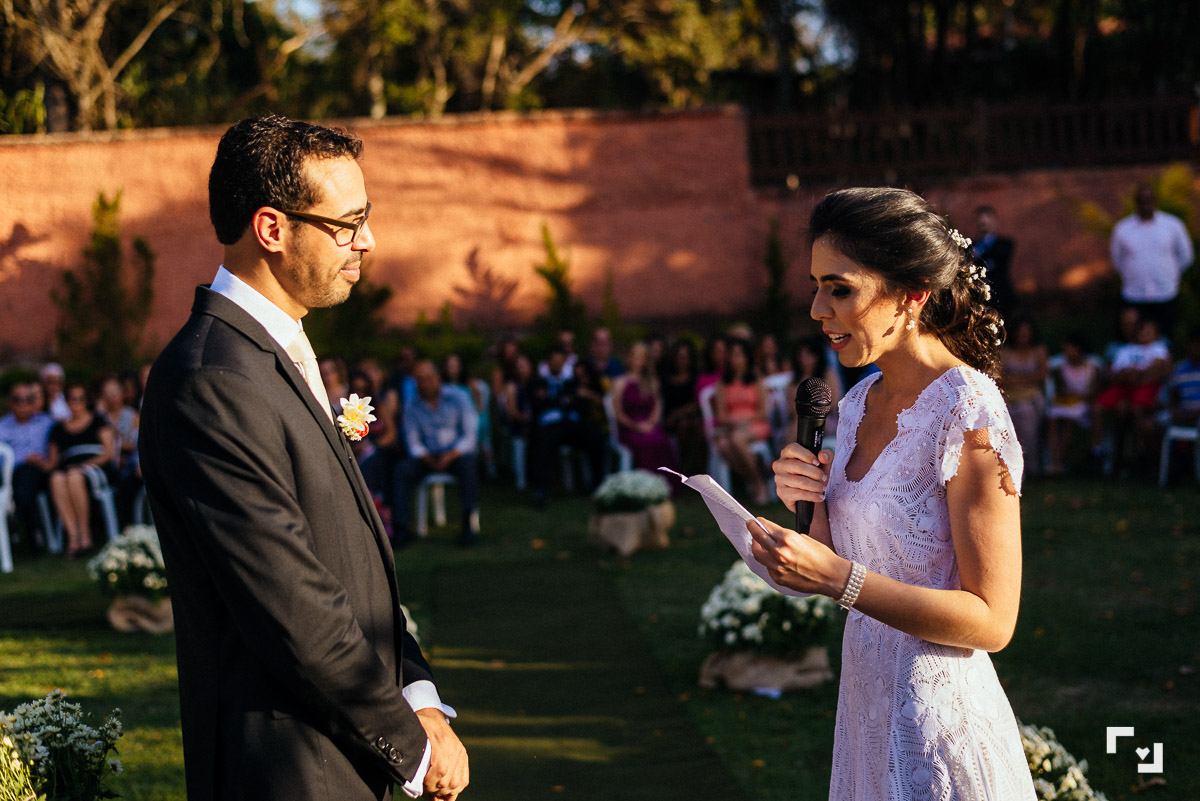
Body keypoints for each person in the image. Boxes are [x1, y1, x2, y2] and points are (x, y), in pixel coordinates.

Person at [138, 116, 467, 801]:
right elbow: (291, 601)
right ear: (271, 228)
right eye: (346, 223)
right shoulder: (211, 379)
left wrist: (423, 695)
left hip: (349, 749)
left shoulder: (278, 350)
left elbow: (354, 565)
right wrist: (412, 746)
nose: (367, 241)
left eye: (365, 217)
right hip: (293, 768)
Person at [756, 187, 1035, 800]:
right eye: (815, 285)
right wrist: (808, 513)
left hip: (937, 723)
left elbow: (993, 620)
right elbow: (848, 559)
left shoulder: (967, 410)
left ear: (912, 294)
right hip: (865, 709)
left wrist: (837, 579)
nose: (816, 309)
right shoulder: (855, 405)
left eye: (840, 288)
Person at [396, 360, 480, 546]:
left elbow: (470, 436)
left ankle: (467, 522)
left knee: (469, 466)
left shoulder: (459, 398)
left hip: (455, 454)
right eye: (419, 380)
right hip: (427, 456)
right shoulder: (412, 406)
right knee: (401, 470)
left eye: (427, 379)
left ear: (438, 379)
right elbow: (413, 442)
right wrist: (427, 458)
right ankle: (402, 527)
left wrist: (451, 455)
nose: (423, 385)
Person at [1110, 183, 1193, 338]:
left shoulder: (1172, 225)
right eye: (1142, 200)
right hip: (1134, 294)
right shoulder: (1123, 229)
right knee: (1133, 337)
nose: (1146, 204)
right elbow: (1117, 261)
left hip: (1165, 292)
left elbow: (1186, 255)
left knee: (1165, 337)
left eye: (1149, 199)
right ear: (1136, 202)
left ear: (1156, 201)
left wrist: (1171, 274)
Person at [1092, 317, 1171, 474]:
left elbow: (1160, 371)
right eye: (1143, 331)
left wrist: (1138, 374)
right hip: (1124, 388)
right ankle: (1097, 449)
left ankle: (1144, 455)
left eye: (1151, 331)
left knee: (1136, 410)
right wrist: (1135, 374)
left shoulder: (1159, 348)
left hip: (1147, 389)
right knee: (1099, 406)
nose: (1146, 334)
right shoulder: (1125, 350)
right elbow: (1116, 374)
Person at [46, 381, 115, 558]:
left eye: (80, 398)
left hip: (95, 467)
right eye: (71, 398)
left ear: (86, 400)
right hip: (69, 469)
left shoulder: (97, 420)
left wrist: (85, 465)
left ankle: (85, 536)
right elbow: (52, 463)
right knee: (56, 478)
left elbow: (108, 453)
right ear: (66, 401)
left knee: (74, 476)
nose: (75, 402)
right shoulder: (57, 428)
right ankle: (73, 537)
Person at [714, 338, 771, 505]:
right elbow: (721, 416)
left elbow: (763, 412)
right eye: (732, 355)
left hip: (755, 424)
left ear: (747, 357)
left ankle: (758, 484)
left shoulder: (756, 380)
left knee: (736, 439)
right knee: (723, 444)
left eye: (739, 355)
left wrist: (744, 420)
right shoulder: (722, 383)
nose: (736, 359)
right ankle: (755, 479)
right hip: (732, 426)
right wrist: (734, 422)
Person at [0, 381, 54, 553]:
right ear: (10, 402)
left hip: (40, 472)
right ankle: (31, 533)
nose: (23, 404)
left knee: (26, 476)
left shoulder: (47, 422)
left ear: (34, 402)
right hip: (9, 473)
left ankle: (16, 519)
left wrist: (46, 462)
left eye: (27, 399)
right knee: (22, 477)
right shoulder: (2, 425)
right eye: (18, 399)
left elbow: (63, 439)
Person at [611, 341, 677, 473]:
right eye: (635, 356)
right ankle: (643, 481)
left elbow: (657, 408)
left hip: (649, 425)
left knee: (661, 442)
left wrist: (650, 424)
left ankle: (663, 481)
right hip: (629, 428)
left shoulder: (652, 382)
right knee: (644, 443)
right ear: (629, 357)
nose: (638, 360)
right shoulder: (619, 382)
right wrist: (635, 426)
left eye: (641, 357)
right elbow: (618, 413)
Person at [1045, 333, 1102, 475]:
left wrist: (1079, 395)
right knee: (1053, 420)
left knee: (1069, 421)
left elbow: (1093, 391)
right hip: (1066, 403)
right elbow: (1060, 390)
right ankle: (1054, 459)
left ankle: (1058, 461)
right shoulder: (1059, 367)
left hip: (1083, 405)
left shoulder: (1092, 366)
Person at [999, 318, 1048, 478]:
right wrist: (1023, 378)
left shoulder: (1039, 351)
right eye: (1020, 334)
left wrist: (1017, 379)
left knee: (1027, 419)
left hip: (1031, 396)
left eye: (1026, 334)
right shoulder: (1005, 352)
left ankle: (1031, 467)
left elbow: (1041, 375)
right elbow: (1000, 376)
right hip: (1009, 396)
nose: (1023, 337)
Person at [660, 339, 706, 475]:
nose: (682, 360)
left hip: (692, 417)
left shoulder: (695, 378)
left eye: (685, 356)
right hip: (670, 421)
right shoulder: (666, 379)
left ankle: (697, 470)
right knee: (683, 425)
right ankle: (681, 468)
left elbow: (698, 403)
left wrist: (678, 414)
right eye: (679, 356)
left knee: (695, 427)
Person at [972, 205, 1018, 320]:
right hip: (979, 298)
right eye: (981, 222)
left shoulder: (1004, 244)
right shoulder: (971, 245)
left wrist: (980, 254)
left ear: (994, 221)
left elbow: (1001, 259)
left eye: (987, 221)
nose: (983, 224)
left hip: (1001, 296)